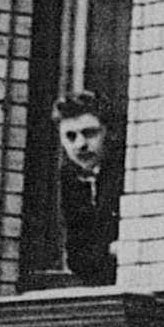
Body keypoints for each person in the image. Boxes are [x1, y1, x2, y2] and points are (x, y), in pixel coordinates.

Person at [47, 90, 122, 287]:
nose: (80, 144)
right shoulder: (70, 178)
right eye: (70, 136)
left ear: (110, 133)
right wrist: (108, 250)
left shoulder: (126, 171)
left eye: (90, 133)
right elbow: (77, 257)